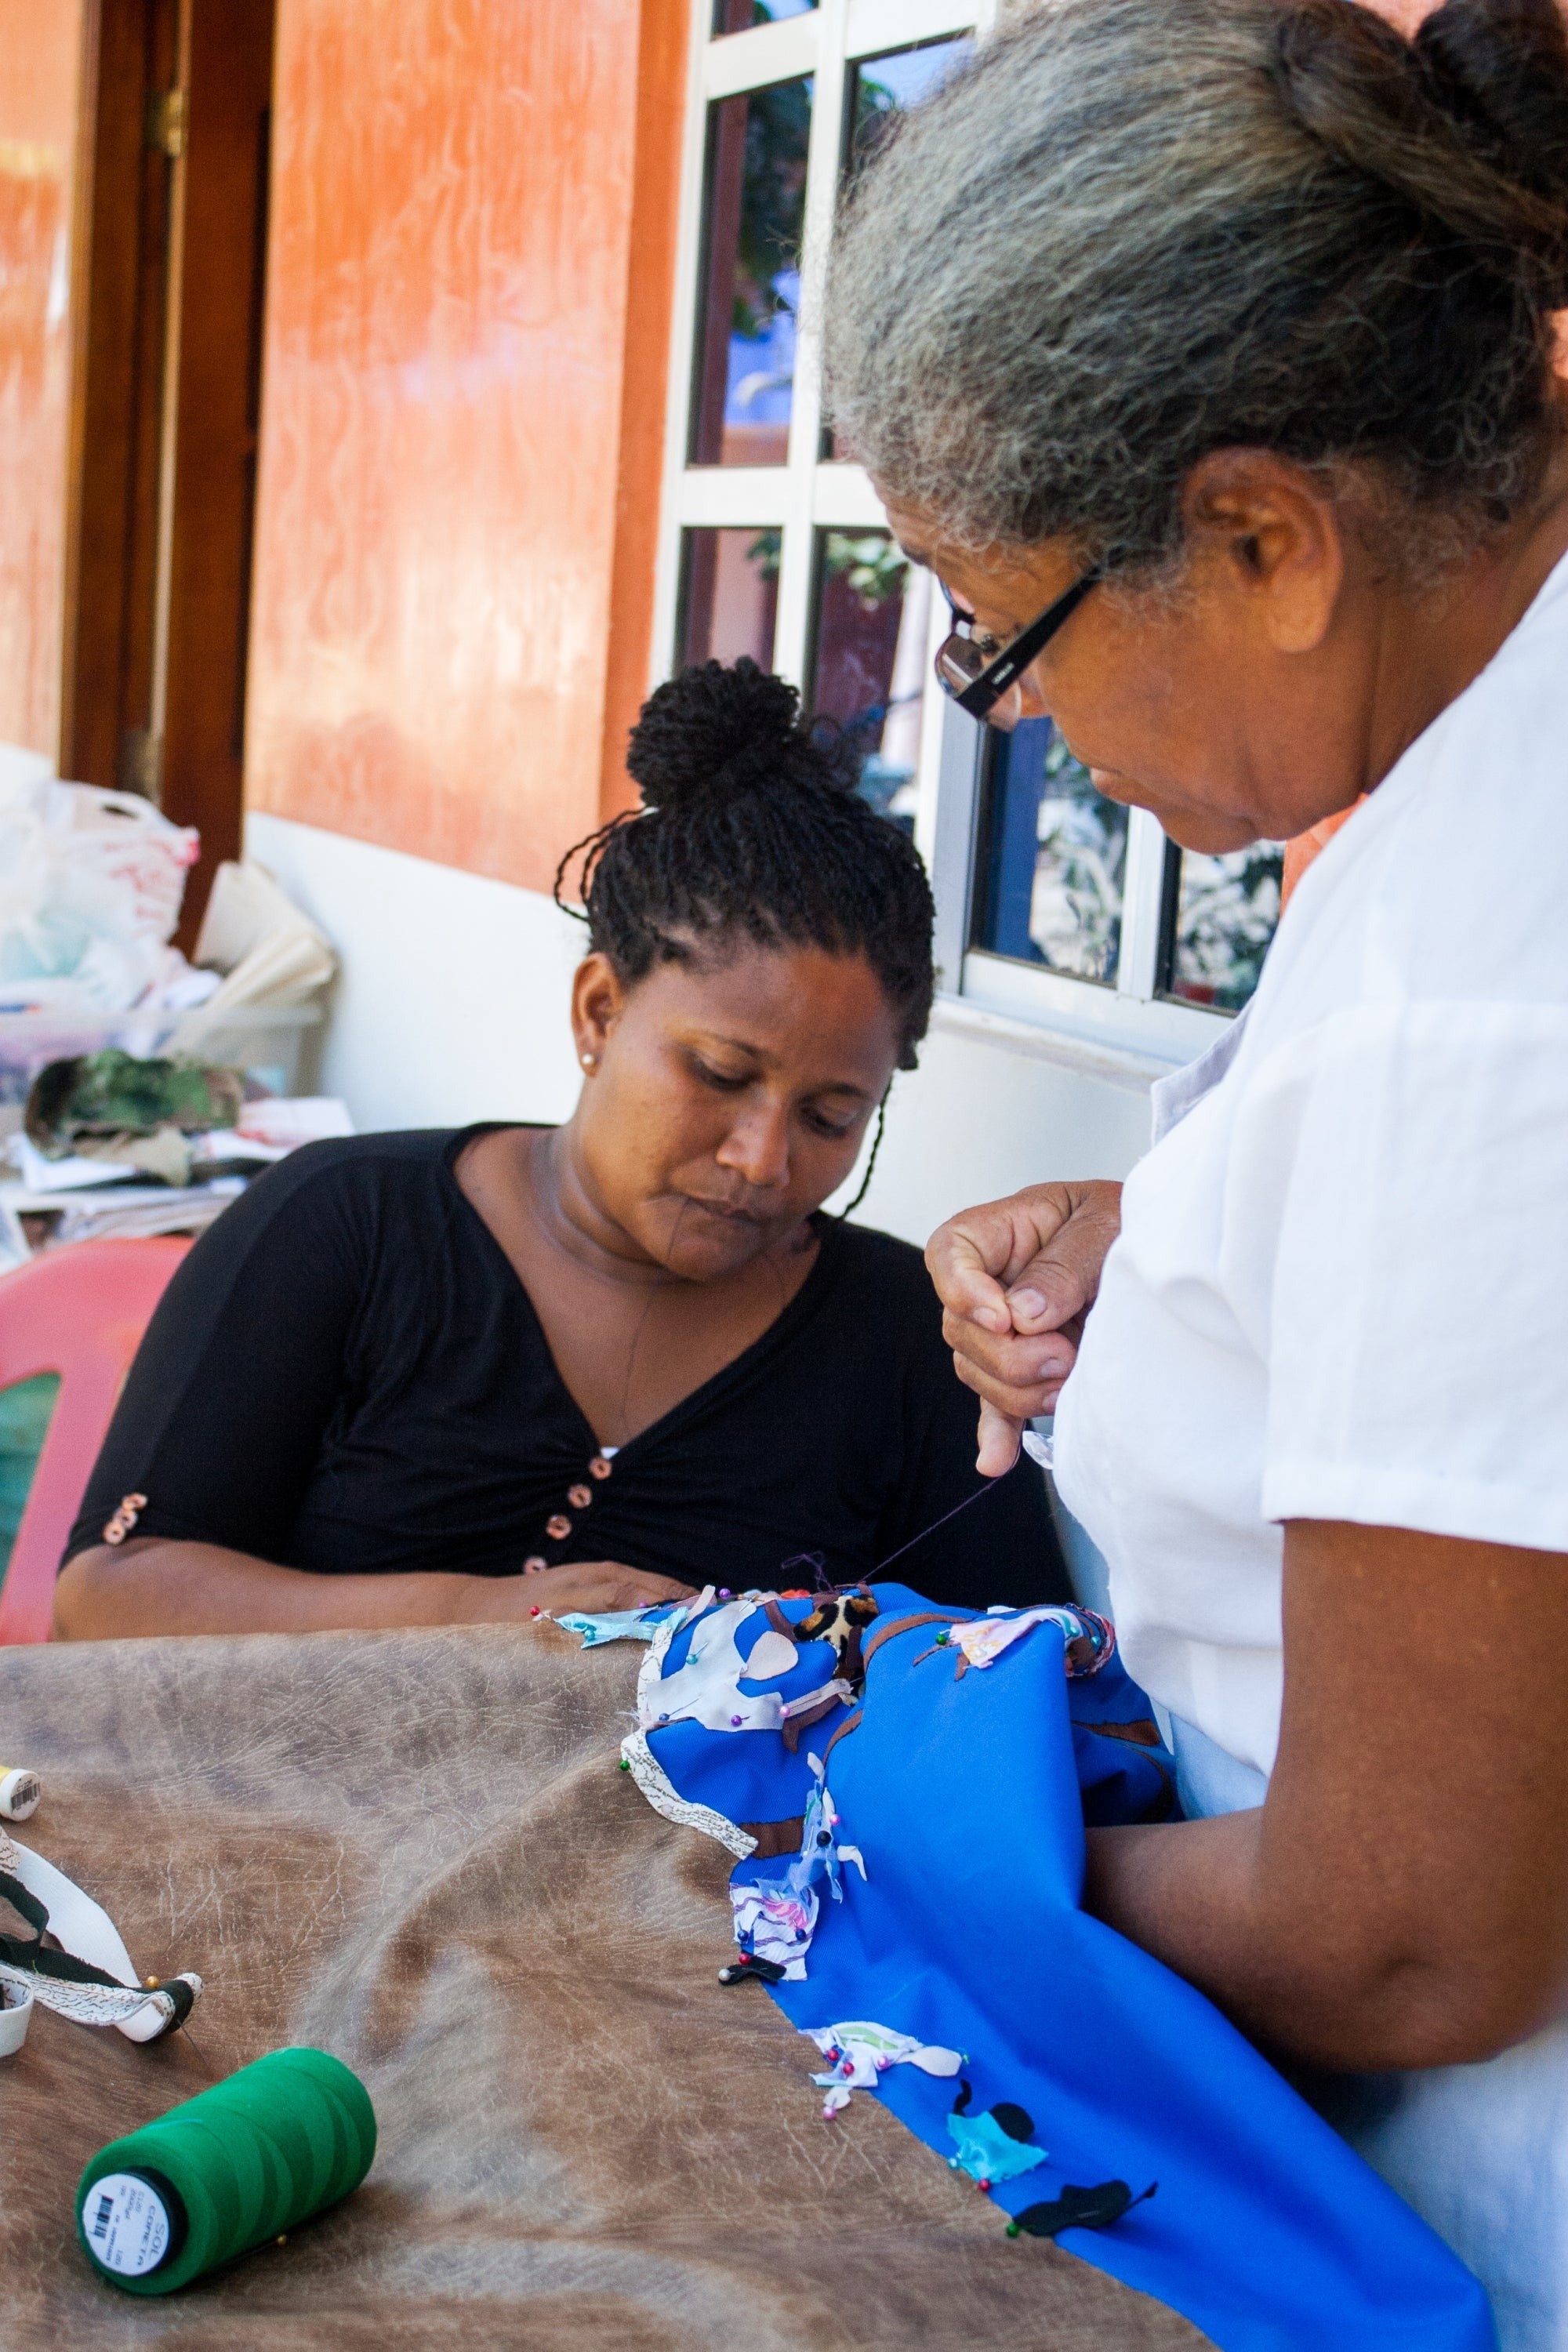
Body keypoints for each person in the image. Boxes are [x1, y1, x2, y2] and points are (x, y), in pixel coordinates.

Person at [826, 0, 1568, 2340]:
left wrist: (926, 1864)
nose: (1013, 708)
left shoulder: (1477, 986)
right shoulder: (1486, 800)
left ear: (1260, 536)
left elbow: (1412, 1928)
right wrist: (1206, 1243)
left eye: (995, 625)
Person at [53, 661, 1069, 1642]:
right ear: (598, 1010)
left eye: (831, 1117)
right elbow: (113, 1598)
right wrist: (480, 1618)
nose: (763, 1160)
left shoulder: (909, 1344)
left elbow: (1028, 1682)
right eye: (718, 1075)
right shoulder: (346, 1226)